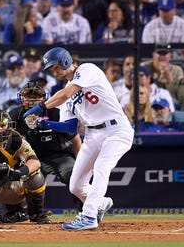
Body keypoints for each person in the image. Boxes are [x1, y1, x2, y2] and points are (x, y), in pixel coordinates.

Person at [23, 47, 133, 230]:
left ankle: (89, 216)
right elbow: (70, 127)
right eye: (51, 69)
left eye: (55, 66)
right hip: (92, 135)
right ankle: (101, 204)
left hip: (116, 130)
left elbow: (66, 93)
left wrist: (39, 108)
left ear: (66, 61)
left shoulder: (87, 70)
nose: (54, 71)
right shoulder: (65, 94)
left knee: (101, 167)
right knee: (76, 186)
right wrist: (46, 124)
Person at [9, 81, 83, 210]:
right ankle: (17, 213)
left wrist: (81, 164)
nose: (32, 100)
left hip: (58, 155)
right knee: (16, 178)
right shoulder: (14, 115)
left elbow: (75, 139)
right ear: (21, 97)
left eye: (36, 96)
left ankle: (87, 211)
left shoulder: (55, 113)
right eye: (28, 96)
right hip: (29, 158)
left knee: (73, 173)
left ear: (44, 98)